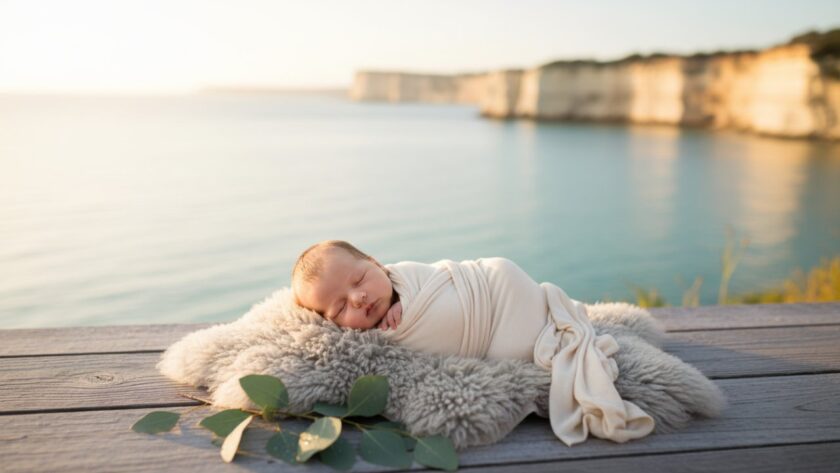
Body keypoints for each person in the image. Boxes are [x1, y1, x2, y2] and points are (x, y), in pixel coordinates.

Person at [291, 239, 655, 446]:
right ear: (327, 321)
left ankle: (544, 321)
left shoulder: (406, 276)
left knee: (518, 346)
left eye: (360, 278)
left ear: (377, 262)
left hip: (495, 284)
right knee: (507, 351)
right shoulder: (371, 342)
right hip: (488, 315)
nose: (358, 299)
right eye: (340, 307)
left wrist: (405, 304)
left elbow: (441, 278)